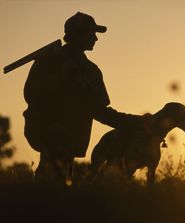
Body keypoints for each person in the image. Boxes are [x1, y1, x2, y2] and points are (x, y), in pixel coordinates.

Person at [23, 12, 144, 183]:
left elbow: (100, 111)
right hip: (49, 132)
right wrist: (61, 77)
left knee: (58, 184)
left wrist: (135, 122)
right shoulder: (49, 60)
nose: (95, 39)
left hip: (71, 136)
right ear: (79, 35)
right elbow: (31, 94)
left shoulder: (91, 71)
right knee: (52, 182)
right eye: (91, 33)